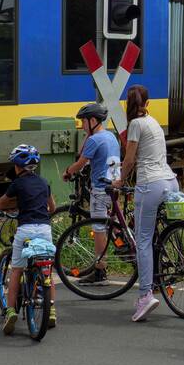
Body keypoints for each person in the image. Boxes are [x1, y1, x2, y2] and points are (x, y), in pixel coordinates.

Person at [113, 84, 179, 322]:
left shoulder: (135, 125)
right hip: (171, 181)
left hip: (150, 184)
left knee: (142, 240)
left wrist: (120, 180)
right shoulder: (154, 122)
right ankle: (170, 264)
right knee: (154, 235)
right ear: (148, 103)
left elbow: (130, 159)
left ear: (128, 105)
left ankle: (145, 295)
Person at [0, 143, 57, 336]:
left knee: (16, 270)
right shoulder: (44, 182)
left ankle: (10, 311)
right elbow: (53, 208)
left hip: (25, 229)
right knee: (47, 270)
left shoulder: (16, 184)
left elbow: (2, 202)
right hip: (44, 229)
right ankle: (51, 311)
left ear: (17, 166)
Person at [63, 101, 121, 284]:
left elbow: (81, 162)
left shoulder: (95, 139)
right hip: (114, 186)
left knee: (98, 229)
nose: (81, 126)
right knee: (113, 222)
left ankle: (100, 270)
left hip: (100, 189)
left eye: (83, 122)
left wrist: (68, 172)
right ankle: (124, 246)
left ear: (93, 120)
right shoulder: (110, 136)